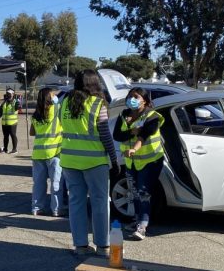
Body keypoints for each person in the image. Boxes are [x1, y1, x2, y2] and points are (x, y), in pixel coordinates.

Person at [59, 69, 120, 256]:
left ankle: (80, 246)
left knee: (76, 203)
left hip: (69, 160)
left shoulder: (64, 102)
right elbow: (105, 135)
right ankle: (103, 246)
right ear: (95, 83)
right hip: (94, 161)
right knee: (100, 202)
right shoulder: (98, 104)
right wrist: (114, 158)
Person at [113, 87, 164, 240]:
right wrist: (131, 132)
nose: (131, 99)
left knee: (143, 192)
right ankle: (136, 220)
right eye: (130, 96)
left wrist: (134, 148)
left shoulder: (152, 116)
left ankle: (143, 225)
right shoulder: (124, 115)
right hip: (131, 162)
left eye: (136, 97)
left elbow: (144, 136)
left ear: (145, 101)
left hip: (150, 161)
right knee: (134, 192)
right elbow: (117, 135)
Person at [30, 87, 66, 217]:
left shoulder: (35, 115)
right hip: (54, 152)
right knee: (56, 183)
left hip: (38, 153)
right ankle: (56, 209)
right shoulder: (57, 110)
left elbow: (32, 132)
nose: (55, 96)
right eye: (53, 94)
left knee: (39, 183)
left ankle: (36, 208)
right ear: (49, 97)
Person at [0, 88, 21, 153]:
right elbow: (1, 112)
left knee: (13, 135)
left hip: (12, 123)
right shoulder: (4, 103)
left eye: (9, 94)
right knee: (5, 136)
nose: (8, 95)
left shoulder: (15, 102)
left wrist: (18, 104)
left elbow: (18, 108)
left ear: (13, 94)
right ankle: (5, 149)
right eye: (7, 94)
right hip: (4, 123)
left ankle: (14, 149)